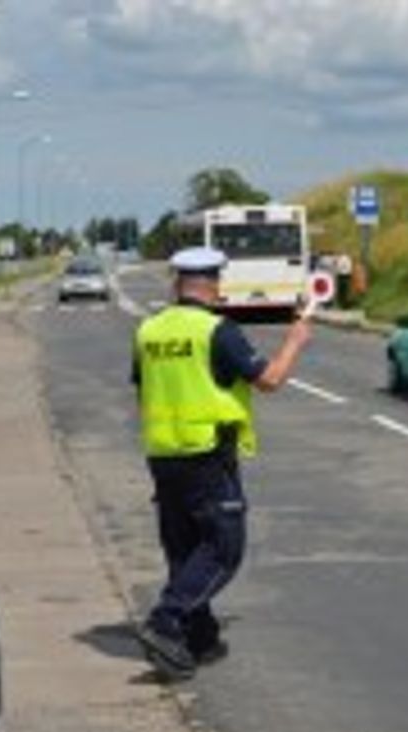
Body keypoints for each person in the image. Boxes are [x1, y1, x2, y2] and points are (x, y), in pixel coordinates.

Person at [132, 246, 312, 680]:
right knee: (222, 549)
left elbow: (143, 388)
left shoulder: (149, 331)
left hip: (163, 455)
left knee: (184, 549)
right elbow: (268, 379)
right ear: (214, 284)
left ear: (178, 283)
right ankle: (166, 619)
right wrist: (295, 340)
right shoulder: (216, 330)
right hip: (209, 455)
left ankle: (200, 637)